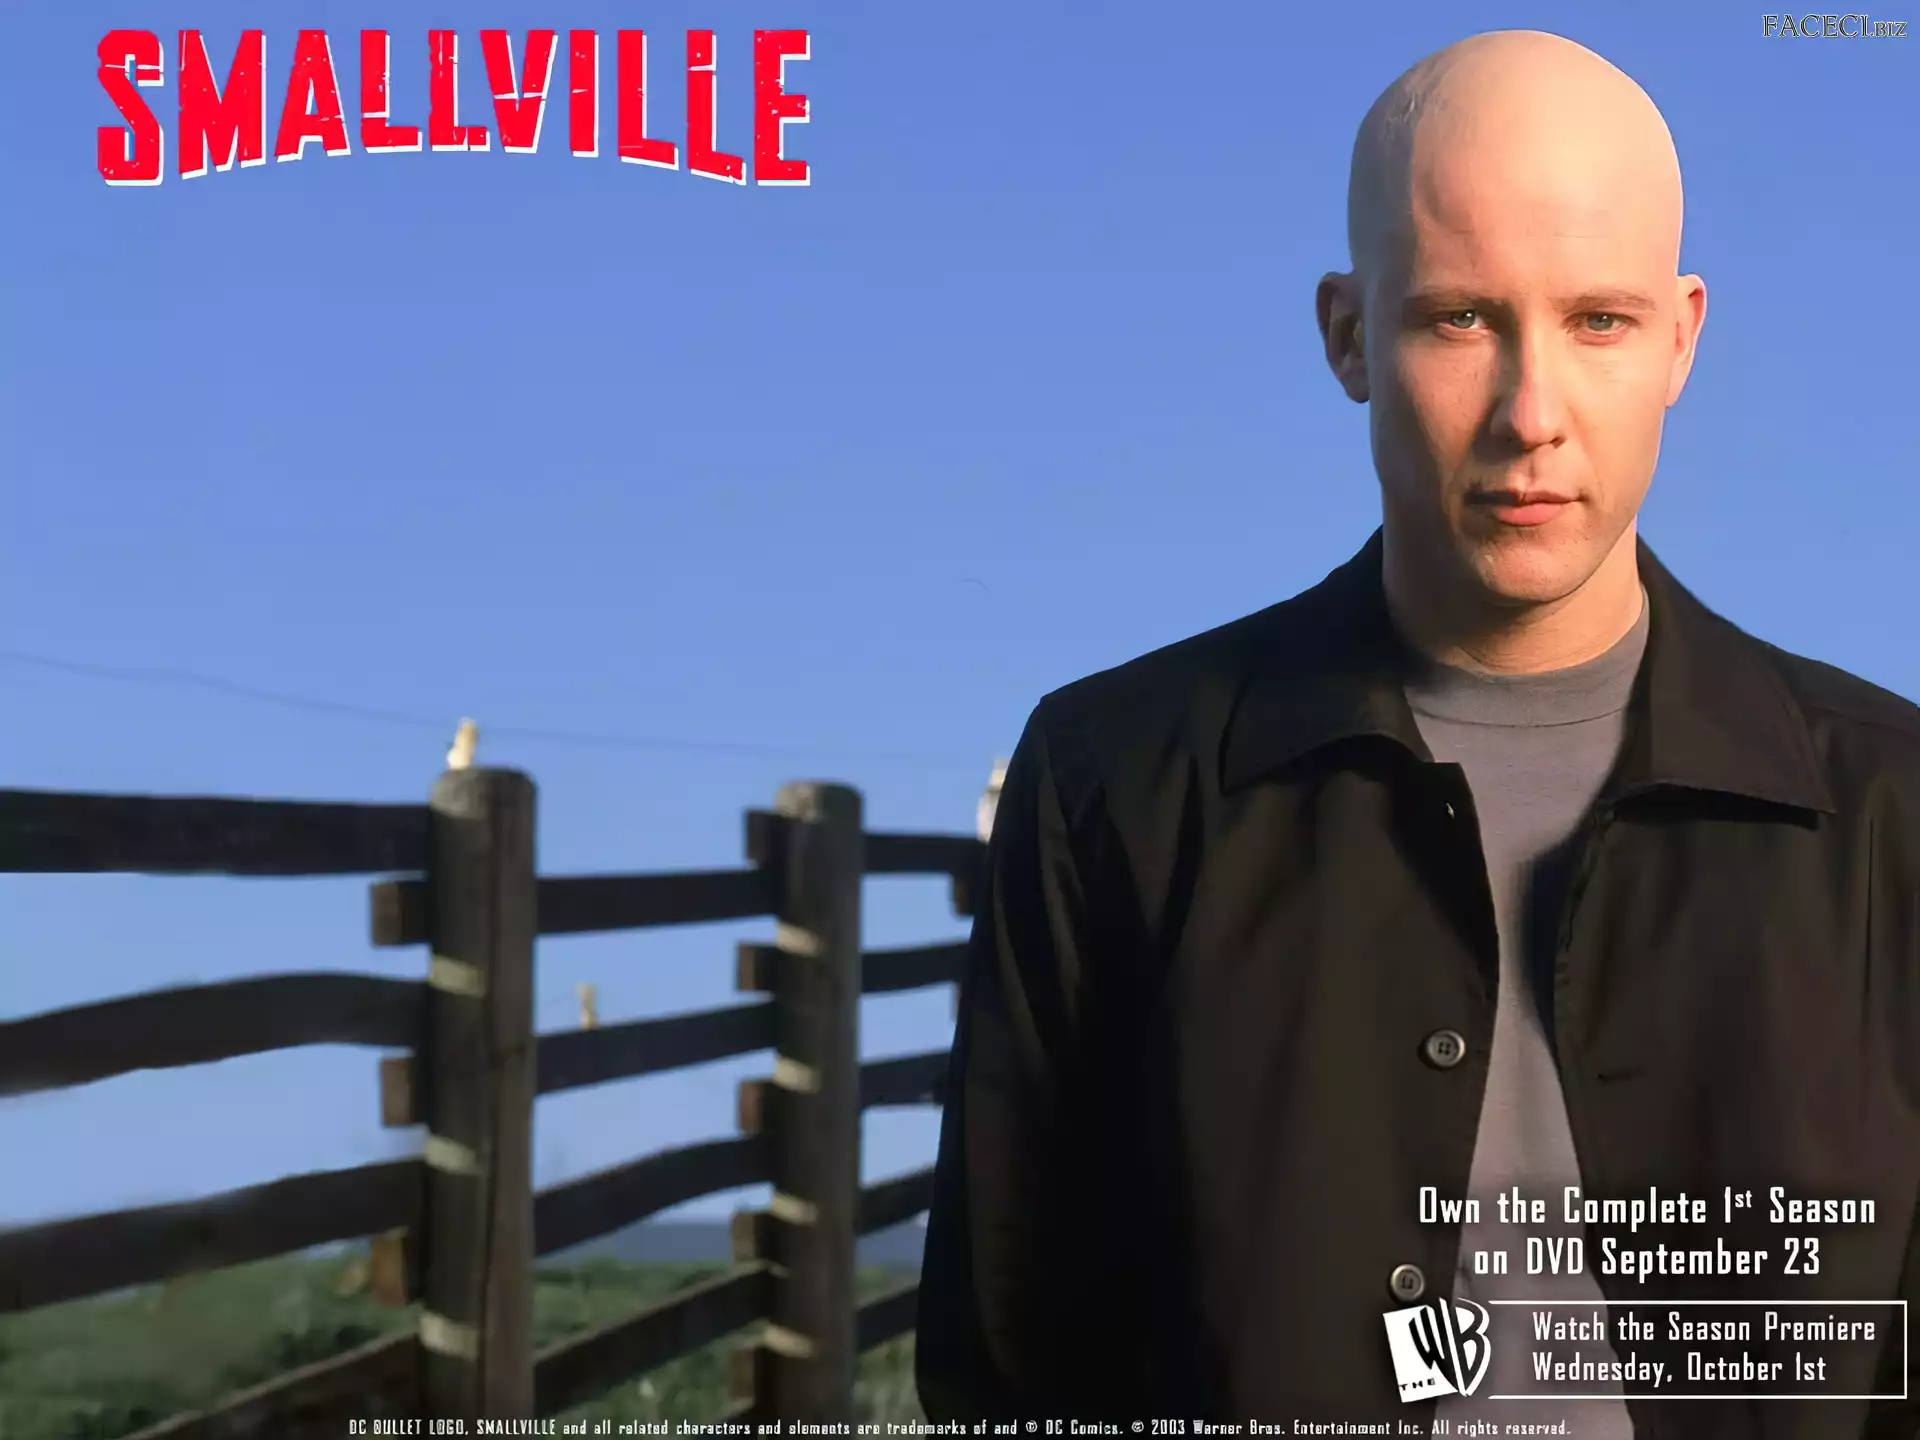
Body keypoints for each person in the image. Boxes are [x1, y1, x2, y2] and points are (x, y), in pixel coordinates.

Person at [914, 29, 1920, 1438]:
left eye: (1600, 321)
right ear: (1347, 336)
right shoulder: (1109, 785)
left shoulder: (1892, 810)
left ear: (1683, 339)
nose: (1531, 414)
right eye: (1459, 319)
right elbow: (1011, 1369)